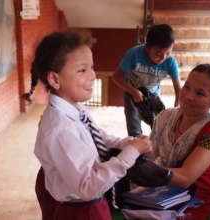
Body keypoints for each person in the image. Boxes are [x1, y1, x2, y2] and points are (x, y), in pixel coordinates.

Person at [22, 30, 152, 220]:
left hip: (83, 196)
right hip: (80, 209)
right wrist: (129, 154)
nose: (92, 75)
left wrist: (128, 143)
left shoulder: (77, 109)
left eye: (92, 67)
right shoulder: (59, 129)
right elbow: (87, 187)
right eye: (82, 70)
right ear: (55, 79)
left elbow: (97, 135)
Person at [128, 64, 210, 219]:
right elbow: (152, 153)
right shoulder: (166, 117)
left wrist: (140, 169)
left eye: (200, 93)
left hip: (194, 205)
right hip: (158, 197)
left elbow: (186, 177)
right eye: (187, 87)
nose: (188, 96)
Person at [113, 23, 181, 137]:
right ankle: (136, 149)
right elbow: (116, 77)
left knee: (161, 125)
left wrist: (176, 111)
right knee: (133, 125)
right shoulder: (134, 54)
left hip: (152, 94)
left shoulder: (170, 62)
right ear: (147, 47)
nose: (163, 58)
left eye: (168, 53)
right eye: (158, 54)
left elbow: (178, 90)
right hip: (132, 92)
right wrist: (133, 91)